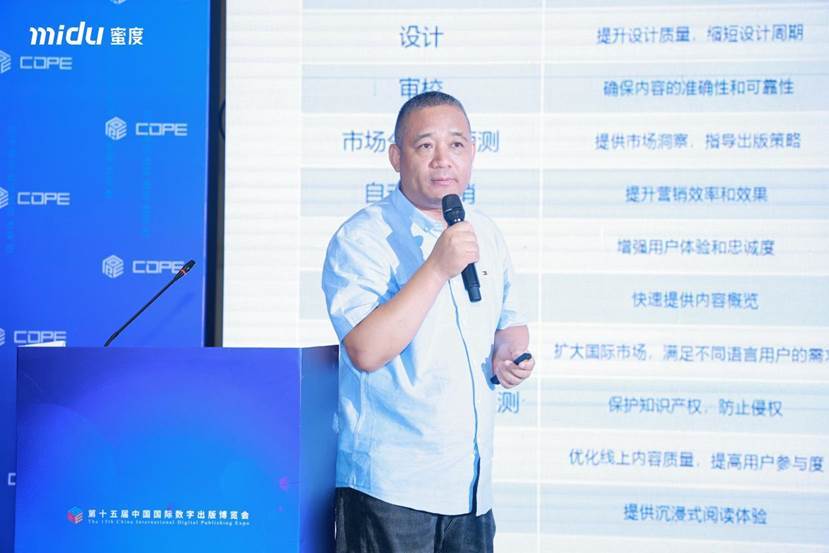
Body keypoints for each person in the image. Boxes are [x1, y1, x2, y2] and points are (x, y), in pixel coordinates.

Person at [322, 91, 534, 553]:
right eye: (425, 146)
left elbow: (510, 322)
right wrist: (436, 268)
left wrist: (508, 354)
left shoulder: (484, 232)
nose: (443, 160)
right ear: (396, 157)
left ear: (472, 152)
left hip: (470, 486)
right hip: (392, 488)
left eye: (456, 144)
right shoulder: (363, 238)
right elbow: (366, 351)